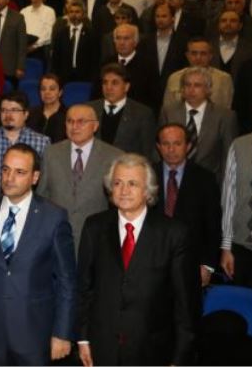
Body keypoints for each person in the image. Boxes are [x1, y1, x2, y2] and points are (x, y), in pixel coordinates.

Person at [0, 144, 76, 366]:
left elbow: (66, 281)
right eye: (5, 169)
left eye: (19, 172)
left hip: (34, 333)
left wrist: (62, 333)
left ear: (35, 177)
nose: (9, 178)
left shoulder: (53, 217)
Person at [76, 153, 198, 366]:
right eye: (117, 183)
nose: (124, 191)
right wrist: (83, 338)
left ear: (147, 190)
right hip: (101, 348)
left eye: (132, 184)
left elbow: (186, 303)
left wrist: (179, 359)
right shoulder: (94, 227)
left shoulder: (174, 234)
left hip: (153, 350)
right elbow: (84, 288)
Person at [37, 104, 123, 248]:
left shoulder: (114, 156)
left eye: (81, 121)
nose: (74, 126)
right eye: (70, 121)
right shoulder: (51, 153)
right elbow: (42, 195)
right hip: (56, 236)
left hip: (97, 238)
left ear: (95, 126)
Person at [153, 124, 221, 287]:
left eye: (177, 143)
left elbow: (213, 225)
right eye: (166, 144)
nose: (171, 149)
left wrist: (208, 265)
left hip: (191, 263)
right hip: (152, 260)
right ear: (158, 147)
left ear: (188, 146)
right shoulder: (146, 175)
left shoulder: (205, 179)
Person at [89, 63, 155, 156]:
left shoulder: (142, 114)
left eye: (114, 83)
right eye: (105, 82)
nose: (108, 87)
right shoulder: (89, 109)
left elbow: (147, 152)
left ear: (126, 87)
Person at [220, 131, 252, 288]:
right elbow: (229, 199)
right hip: (243, 247)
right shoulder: (240, 145)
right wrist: (226, 246)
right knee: (243, 300)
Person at [163, 37, 233, 110]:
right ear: (187, 55)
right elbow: (167, 108)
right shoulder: (174, 78)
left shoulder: (224, 79)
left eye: (203, 54)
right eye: (194, 53)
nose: (198, 57)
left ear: (210, 56)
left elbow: (227, 108)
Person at [51, 0, 99, 83]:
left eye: (77, 12)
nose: (74, 14)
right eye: (71, 12)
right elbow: (56, 58)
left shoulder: (91, 34)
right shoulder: (61, 34)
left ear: (83, 14)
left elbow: (95, 59)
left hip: (85, 77)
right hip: (64, 77)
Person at [26, 74, 67, 143]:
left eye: (52, 89)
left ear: (60, 92)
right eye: (43, 89)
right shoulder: (31, 113)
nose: (47, 92)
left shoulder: (67, 115)